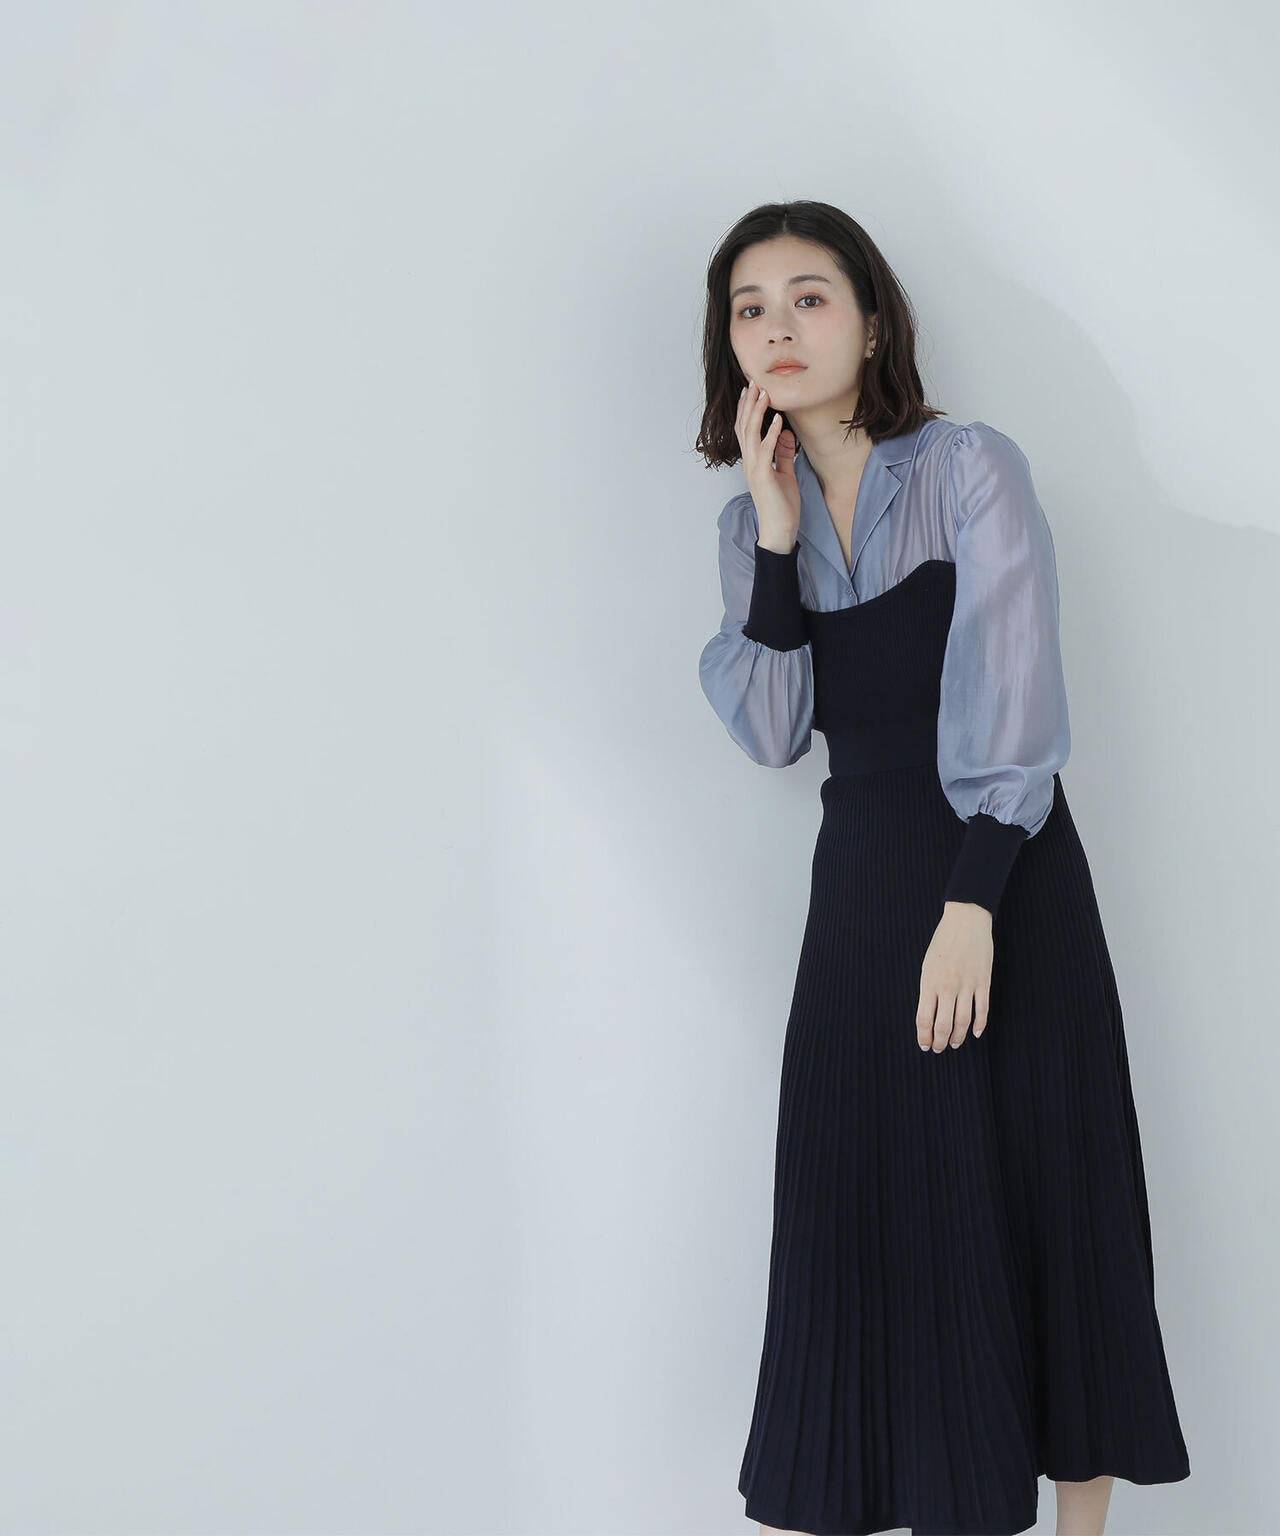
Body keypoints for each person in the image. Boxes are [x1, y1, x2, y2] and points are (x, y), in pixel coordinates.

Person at [696, 200, 1191, 1536]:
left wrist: (972, 902)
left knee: (1048, 1200)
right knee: (872, 1220)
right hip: (862, 897)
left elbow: (1014, 698)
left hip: (1003, 875)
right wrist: (778, 540)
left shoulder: (969, 466)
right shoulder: (751, 528)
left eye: (809, 297)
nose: (779, 327)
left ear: (872, 322)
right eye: (750, 308)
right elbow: (772, 730)